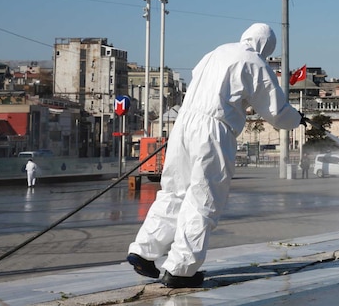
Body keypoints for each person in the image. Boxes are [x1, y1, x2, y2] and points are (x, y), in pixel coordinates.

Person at [127, 23, 306, 288]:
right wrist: (298, 119)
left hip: (184, 124)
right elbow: (275, 110)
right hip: (214, 129)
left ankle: (143, 251)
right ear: (266, 46)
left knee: (174, 192)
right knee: (203, 198)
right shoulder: (254, 62)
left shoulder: (216, 52)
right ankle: (181, 270)